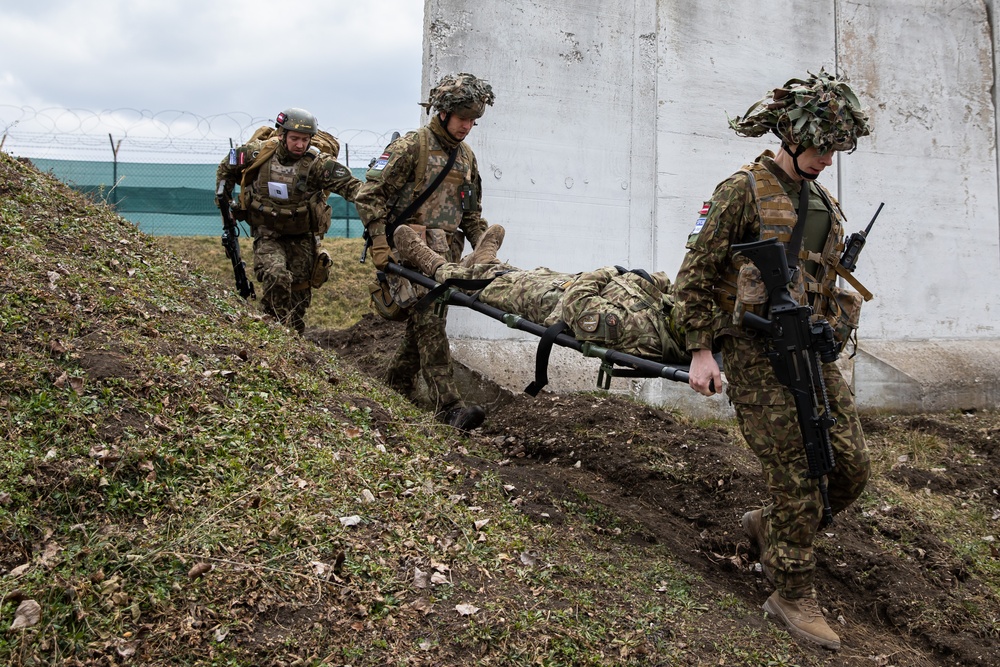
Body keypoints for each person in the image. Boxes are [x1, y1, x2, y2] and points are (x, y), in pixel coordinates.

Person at [673, 69, 873, 650]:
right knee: (799, 472)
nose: (827, 159)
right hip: (752, 347)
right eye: (820, 146)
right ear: (790, 133)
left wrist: (834, 326)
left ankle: (770, 528)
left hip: (807, 344)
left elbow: (827, 278)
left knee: (852, 468)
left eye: (836, 149)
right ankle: (790, 592)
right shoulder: (741, 190)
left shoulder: (822, 201)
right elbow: (695, 276)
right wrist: (701, 351)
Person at [354, 73, 496, 431]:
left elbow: (471, 216)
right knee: (431, 323)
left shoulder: (466, 159)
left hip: (445, 260)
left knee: (425, 326)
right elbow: (369, 196)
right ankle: (449, 407)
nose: (467, 126)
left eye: (473, 120)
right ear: (444, 112)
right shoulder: (411, 147)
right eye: (463, 118)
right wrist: (381, 245)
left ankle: (393, 389)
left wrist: (485, 250)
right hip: (408, 253)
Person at [392, 224, 690, 365]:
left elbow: (578, 303)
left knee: (485, 283)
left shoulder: (640, 334)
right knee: (520, 273)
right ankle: (487, 260)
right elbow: (668, 287)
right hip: (560, 284)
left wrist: (612, 271)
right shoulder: (671, 317)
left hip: (548, 301)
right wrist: (651, 279)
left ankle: (431, 262)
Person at [216, 108, 362, 334]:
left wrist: (377, 210)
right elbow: (227, 167)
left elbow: (354, 188)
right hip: (268, 233)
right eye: (294, 138)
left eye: (305, 140)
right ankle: (271, 331)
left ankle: (292, 339)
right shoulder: (257, 153)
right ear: (281, 135)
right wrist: (225, 206)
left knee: (299, 296)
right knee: (276, 276)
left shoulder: (318, 164)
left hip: (302, 236)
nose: (300, 145)